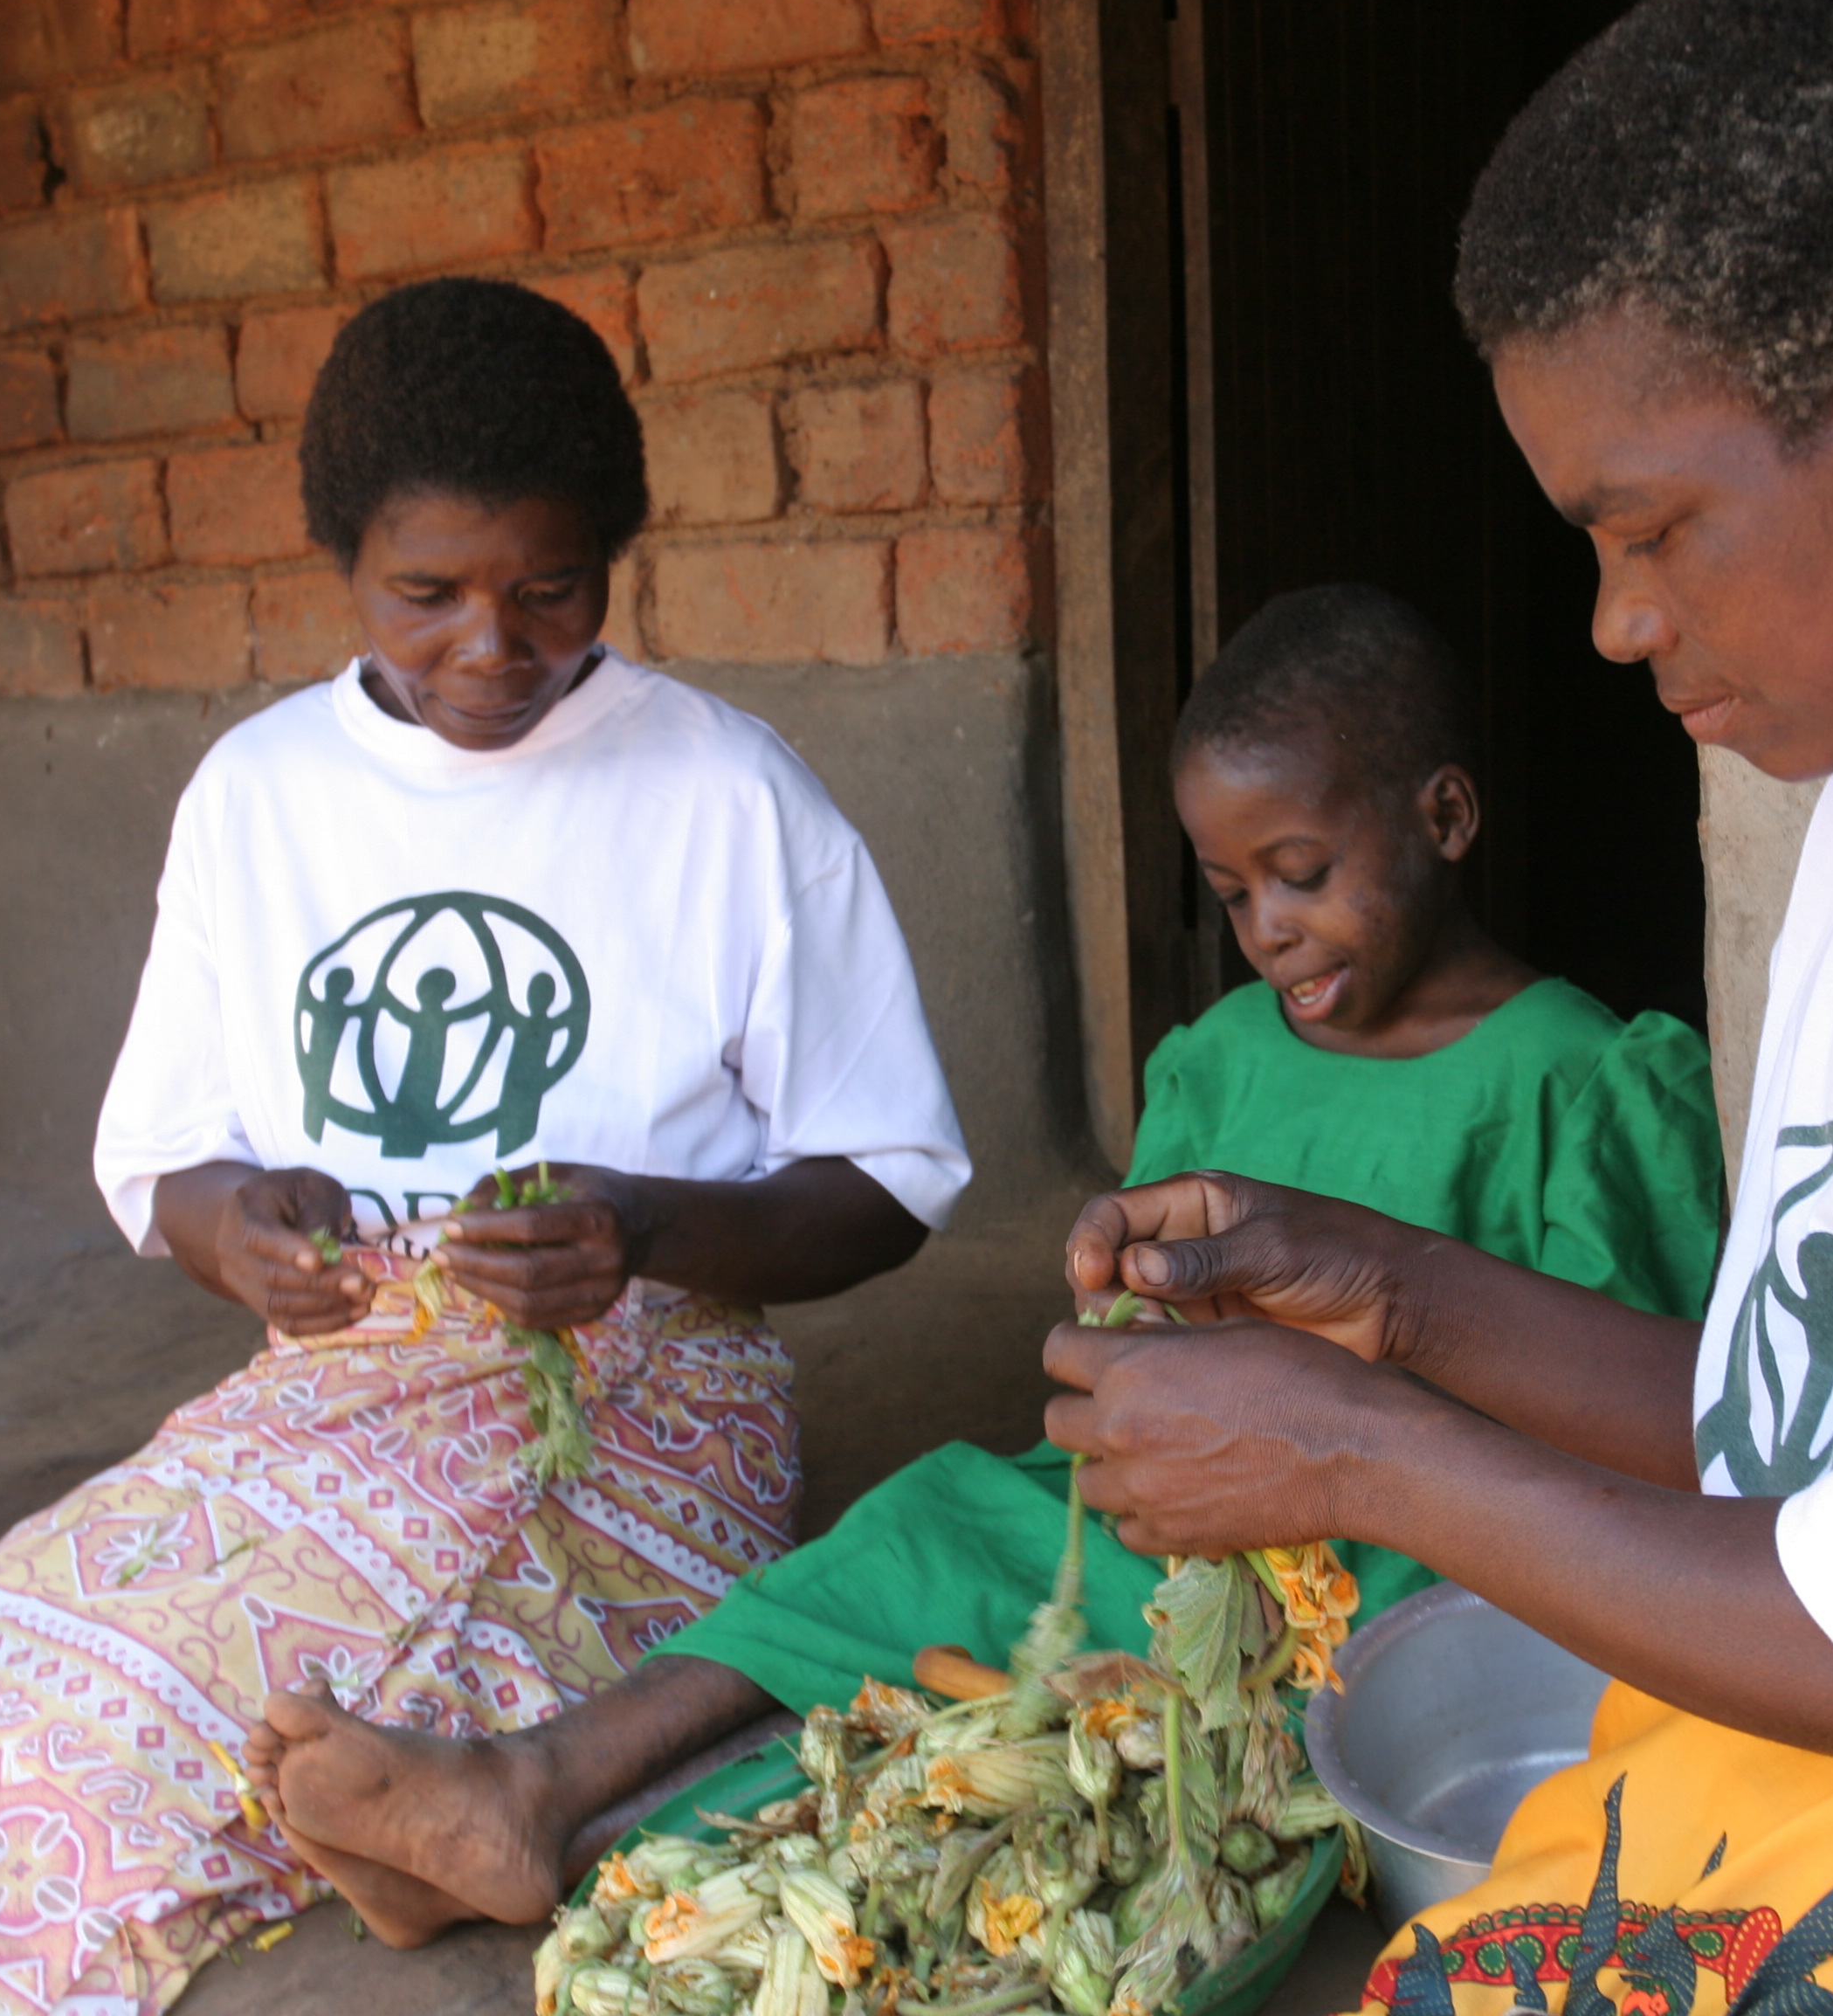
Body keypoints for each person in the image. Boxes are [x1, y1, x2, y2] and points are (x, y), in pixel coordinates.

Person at [1047, 0, 1833, 2012]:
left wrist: (1358, 1459)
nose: (1617, 619)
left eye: (1648, 530)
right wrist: (1382, 1297)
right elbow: (1793, 1432)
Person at [0, 280, 968, 2016]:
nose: (494, 643)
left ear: (613, 551)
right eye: (429, 595)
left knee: (220, 1749)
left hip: (641, 1409)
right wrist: (234, 1226)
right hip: (326, 1401)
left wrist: (650, 1226)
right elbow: (169, 1157)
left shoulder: (728, 793)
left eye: (550, 588)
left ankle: (441, 1820)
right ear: (342, 560)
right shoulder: (262, 795)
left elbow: (889, 1190)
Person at [238, 581, 1731, 1944]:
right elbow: (1151, 1314)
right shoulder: (1214, 1059)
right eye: (1232, 896)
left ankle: (578, 1837)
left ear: (1447, 817)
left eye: (1303, 873)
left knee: (1079, 1754)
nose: (1271, 931)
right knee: (924, 1537)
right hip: (1178, 1515)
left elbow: (1643, 1429)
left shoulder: (1584, 1081)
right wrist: (1125, 1317)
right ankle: (530, 1779)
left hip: (1404, 1563)